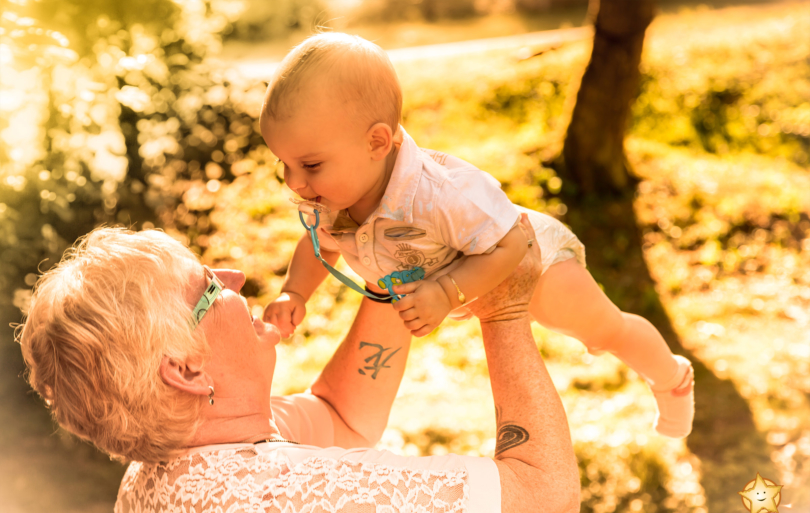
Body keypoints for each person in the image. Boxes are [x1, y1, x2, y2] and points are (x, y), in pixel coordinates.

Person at [17, 222, 580, 513]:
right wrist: (505, 312)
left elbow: (340, 415)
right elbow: (545, 500)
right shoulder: (289, 502)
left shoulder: (162, 467)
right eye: (210, 287)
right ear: (186, 369)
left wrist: (391, 269)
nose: (236, 276)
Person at [260, 32, 694, 439]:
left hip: (528, 261)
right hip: (467, 277)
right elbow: (320, 245)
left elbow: (511, 244)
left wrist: (447, 292)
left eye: (310, 165)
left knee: (603, 331)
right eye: (284, 164)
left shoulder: (440, 194)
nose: (294, 182)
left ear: (376, 143)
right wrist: (294, 292)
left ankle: (671, 377)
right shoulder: (332, 200)